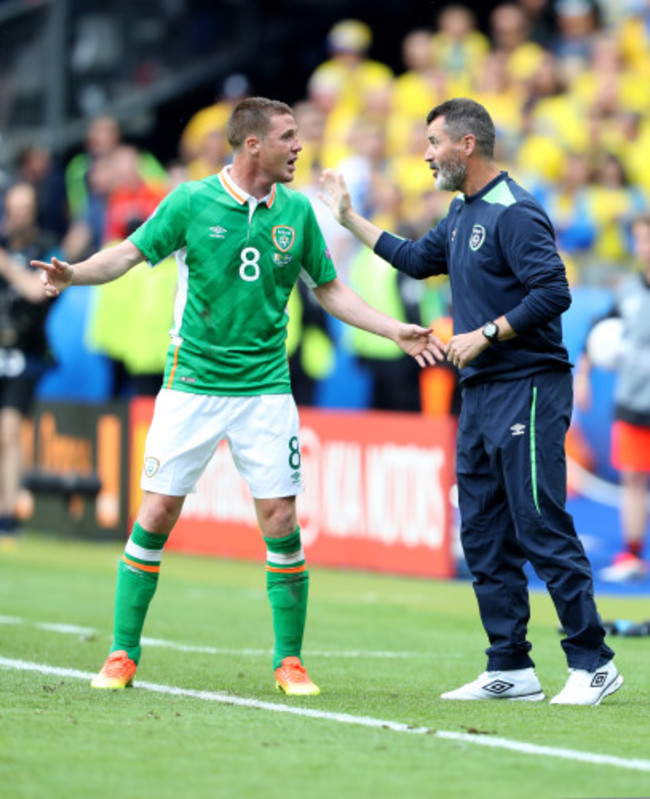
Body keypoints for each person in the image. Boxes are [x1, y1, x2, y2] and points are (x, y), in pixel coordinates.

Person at [33, 97, 438, 695]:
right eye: (288, 136)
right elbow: (127, 254)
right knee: (157, 513)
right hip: (192, 383)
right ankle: (121, 654)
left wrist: (392, 328)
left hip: (266, 390)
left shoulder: (296, 212)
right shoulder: (192, 202)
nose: (300, 146)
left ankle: (290, 662)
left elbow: (330, 289)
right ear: (253, 145)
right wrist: (75, 273)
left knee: (281, 520)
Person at [319, 97, 622, 706]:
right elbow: (413, 258)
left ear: (466, 145)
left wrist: (484, 334)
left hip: (528, 387)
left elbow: (554, 291)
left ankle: (593, 662)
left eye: (434, 142)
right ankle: (510, 665)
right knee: (482, 530)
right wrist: (349, 217)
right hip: (481, 393)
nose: (426, 154)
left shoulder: (514, 211)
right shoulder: (461, 213)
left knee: (538, 522)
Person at [575, 213, 650, 581]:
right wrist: (584, 376)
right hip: (633, 402)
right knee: (634, 480)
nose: (646, 248)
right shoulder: (629, 291)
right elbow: (598, 331)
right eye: (640, 240)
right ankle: (633, 555)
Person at [0, 183, 57, 544]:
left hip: (27, 353)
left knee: (8, 430)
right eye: (13, 207)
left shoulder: (45, 248)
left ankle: (8, 515)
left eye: (26, 207)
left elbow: (38, 291)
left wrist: (6, 268)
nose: (19, 214)